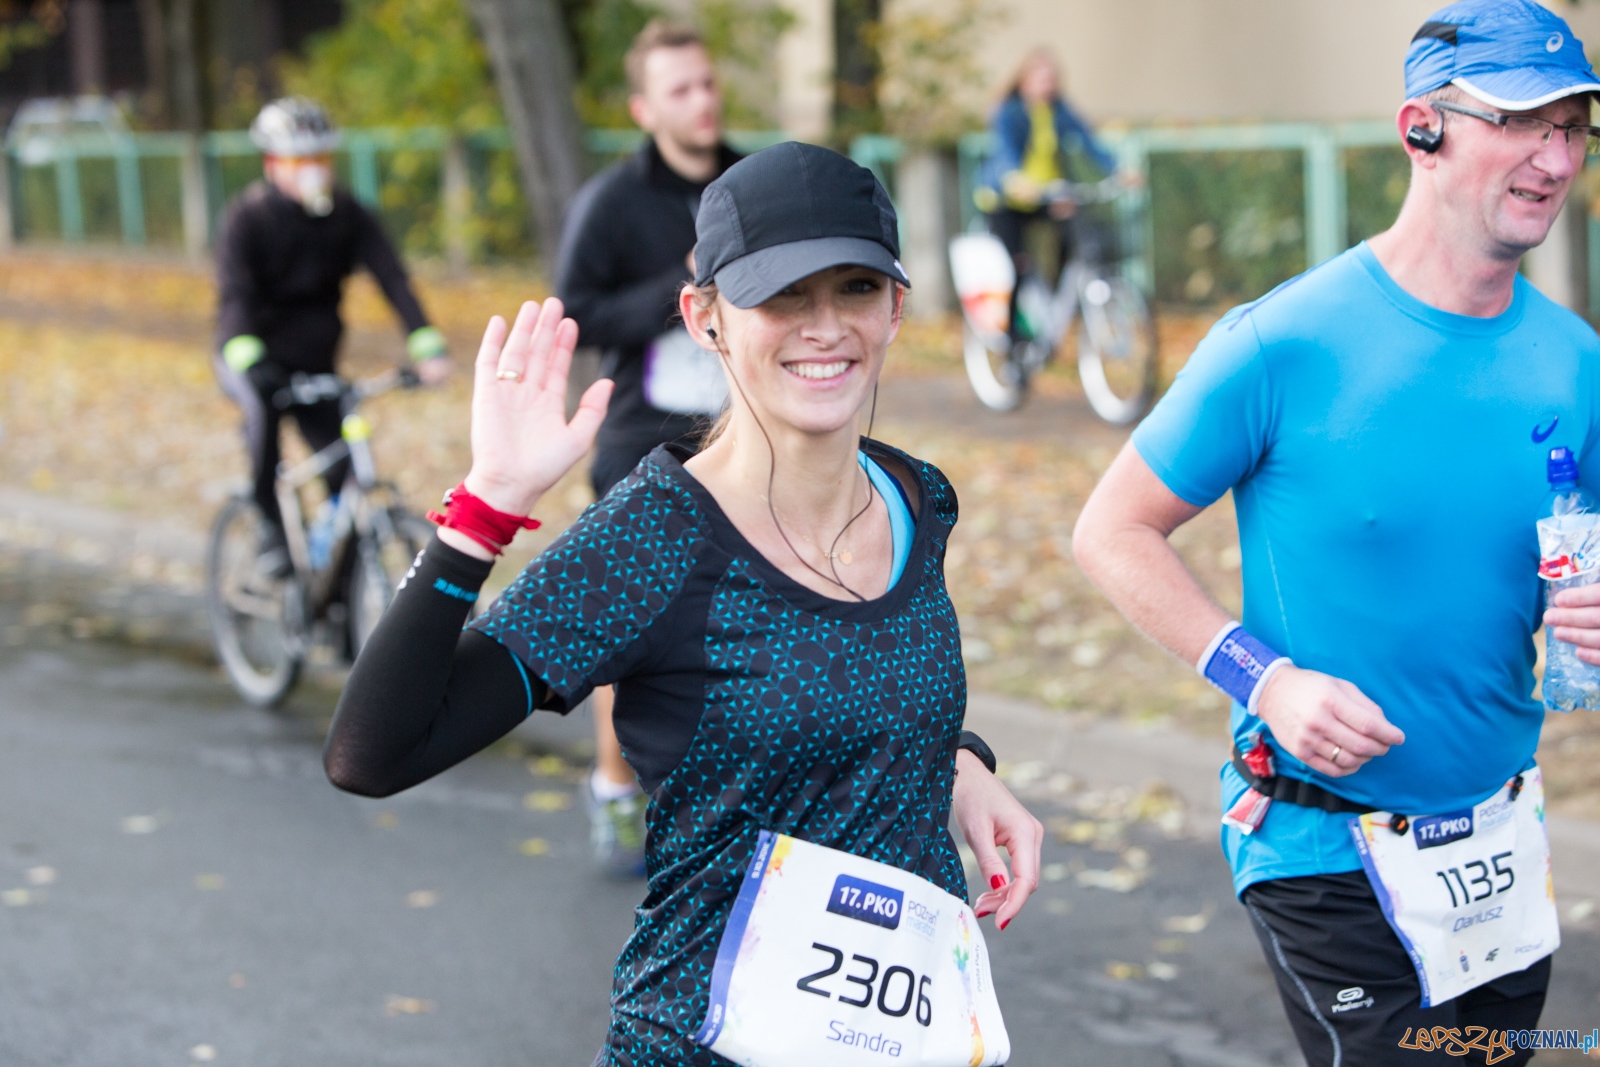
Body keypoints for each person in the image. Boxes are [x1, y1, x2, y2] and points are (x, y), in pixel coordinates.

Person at [324, 142, 1042, 1065]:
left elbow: (868, 687)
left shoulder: (916, 496)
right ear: (705, 318)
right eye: (783, 294)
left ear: (897, 307)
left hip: (906, 1039)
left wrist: (960, 765)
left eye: (856, 288)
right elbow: (371, 752)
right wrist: (484, 509)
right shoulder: (657, 537)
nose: (825, 326)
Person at [1072, 3, 1600, 1064]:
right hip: (1321, 842)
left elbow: (1574, 558)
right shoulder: (1281, 344)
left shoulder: (1573, 360)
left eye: (1573, 125)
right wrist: (1262, 679)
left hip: (1497, 837)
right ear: (1421, 127)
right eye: (1518, 122)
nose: (1553, 157)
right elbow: (1110, 529)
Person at [555, 21, 742, 877]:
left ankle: (734, 794)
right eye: (680, 90)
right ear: (644, 108)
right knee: (632, 614)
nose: (701, 101)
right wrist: (681, 294)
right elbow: (576, 311)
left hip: (744, 424)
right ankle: (614, 783)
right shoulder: (614, 202)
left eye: (706, 84)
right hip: (641, 430)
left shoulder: (750, 183)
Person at [214, 97, 450, 574]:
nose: (312, 172)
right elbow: (235, 296)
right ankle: (268, 527)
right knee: (263, 421)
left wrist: (426, 342)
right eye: (300, 161)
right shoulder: (247, 219)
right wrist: (250, 358)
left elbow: (392, 277)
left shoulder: (347, 215)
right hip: (253, 357)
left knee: (344, 480)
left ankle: (339, 609)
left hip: (316, 363)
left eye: (320, 159)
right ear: (272, 164)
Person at [974, 46, 1119, 323]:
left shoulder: (1059, 111)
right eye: (1042, 78)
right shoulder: (1010, 112)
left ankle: (1056, 305)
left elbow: (1089, 143)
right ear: (1025, 80)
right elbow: (1004, 151)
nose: (1048, 85)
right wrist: (1014, 180)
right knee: (1017, 269)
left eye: (1052, 79)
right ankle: (1015, 345)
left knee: (1078, 241)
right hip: (1006, 201)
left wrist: (1118, 169)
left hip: (1046, 197)